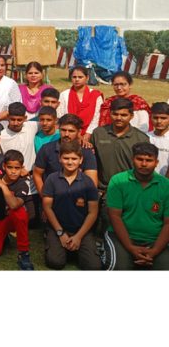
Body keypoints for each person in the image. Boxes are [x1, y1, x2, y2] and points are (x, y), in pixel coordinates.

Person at [104, 142, 169, 270]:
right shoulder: (118, 181)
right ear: (132, 159)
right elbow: (115, 217)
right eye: (139, 159)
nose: (144, 164)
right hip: (122, 238)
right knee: (119, 269)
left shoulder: (166, 186)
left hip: (155, 240)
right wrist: (130, 247)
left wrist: (154, 251)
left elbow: (168, 223)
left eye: (148, 160)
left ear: (156, 162)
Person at [41, 140, 101, 270]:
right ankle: (59, 244)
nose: (69, 162)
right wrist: (60, 233)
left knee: (93, 266)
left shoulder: (88, 182)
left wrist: (78, 237)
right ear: (59, 159)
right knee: (55, 262)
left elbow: (93, 212)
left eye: (74, 158)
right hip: (58, 227)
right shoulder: (52, 179)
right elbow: (47, 207)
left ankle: (77, 247)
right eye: (66, 158)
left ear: (81, 160)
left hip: (81, 229)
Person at [0, 149, 34, 269]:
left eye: (17, 168)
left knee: (20, 212)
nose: (14, 171)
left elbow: (14, 204)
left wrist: (4, 187)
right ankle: (3, 238)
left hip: (12, 220)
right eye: (10, 167)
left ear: (22, 168)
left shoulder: (23, 183)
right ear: (4, 166)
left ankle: (23, 253)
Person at [91, 97, 149, 192]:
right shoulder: (98, 133)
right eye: (115, 114)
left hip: (130, 190)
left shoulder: (141, 138)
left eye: (123, 115)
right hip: (103, 191)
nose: (119, 118)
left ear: (132, 116)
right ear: (110, 114)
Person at [33, 114, 98, 195]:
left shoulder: (86, 151)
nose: (66, 134)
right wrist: (44, 196)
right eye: (63, 130)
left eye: (71, 131)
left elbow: (92, 182)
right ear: (58, 129)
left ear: (79, 132)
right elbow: (37, 174)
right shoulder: (47, 149)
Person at [0, 102, 39, 222]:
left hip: (31, 183)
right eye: (12, 119)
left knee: (32, 220)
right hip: (12, 183)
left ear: (25, 118)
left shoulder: (32, 126)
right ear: (7, 117)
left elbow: (53, 123)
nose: (16, 123)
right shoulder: (1, 136)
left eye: (19, 120)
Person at [58, 65, 104, 141]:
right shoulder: (64, 95)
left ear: (87, 78)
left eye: (80, 77)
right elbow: (60, 116)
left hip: (91, 134)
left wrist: (88, 133)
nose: (77, 79)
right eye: (74, 77)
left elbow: (97, 117)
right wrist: (75, 134)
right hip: (68, 134)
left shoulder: (95, 95)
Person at [149, 102, 169, 176]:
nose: (159, 121)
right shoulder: (145, 137)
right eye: (155, 118)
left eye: (163, 118)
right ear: (151, 117)